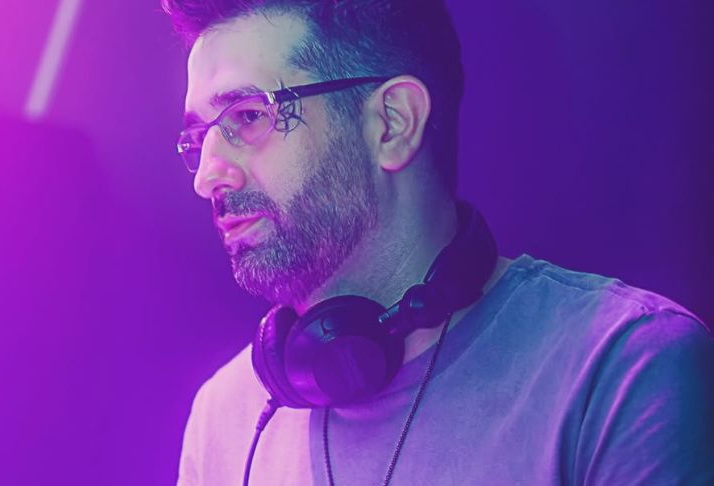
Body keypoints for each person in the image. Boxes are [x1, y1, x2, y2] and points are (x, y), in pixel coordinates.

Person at [163, 1, 714, 484]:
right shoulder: (224, 418)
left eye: (248, 116)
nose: (206, 177)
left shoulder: (621, 369)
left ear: (393, 123)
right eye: (198, 136)